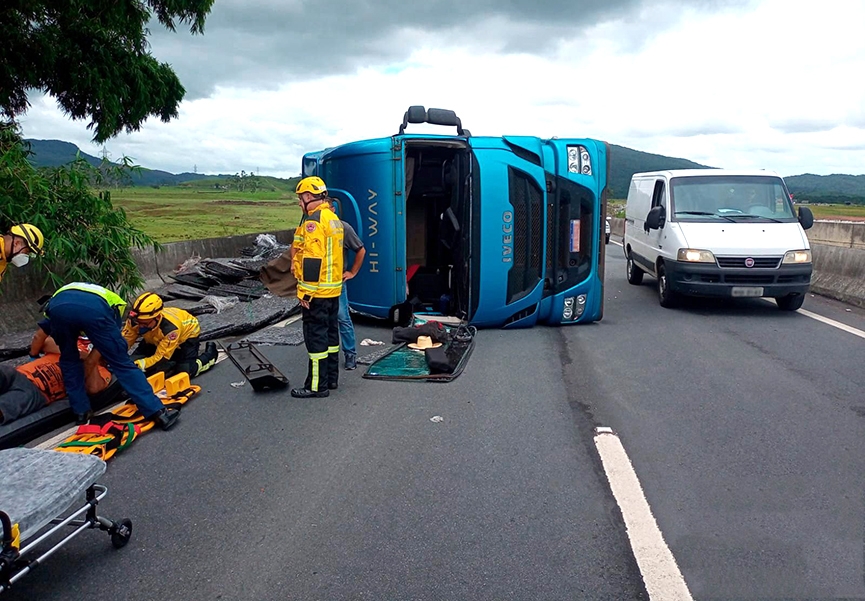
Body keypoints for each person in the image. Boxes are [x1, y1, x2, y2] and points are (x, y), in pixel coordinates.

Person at [40, 282, 179, 429]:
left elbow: (45, 328)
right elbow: (115, 342)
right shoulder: (115, 302)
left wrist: (33, 355)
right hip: (94, 311)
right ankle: (158, 413)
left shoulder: (60, 296)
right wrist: (109, 356)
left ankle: (81, 413)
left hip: (57, 311)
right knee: (122, 364)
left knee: (69, 360)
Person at [290, 176, 344, 398]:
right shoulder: (332, 218)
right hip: (332, 290)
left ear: (308, 196)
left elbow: (313, 259)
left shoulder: (314, 221)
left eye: (300, 198)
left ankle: (316, 386)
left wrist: (306, 292)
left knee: (316, 340)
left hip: (317, 292)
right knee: (331, 336)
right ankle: (331, 379)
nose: (299, 203)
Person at [0, 334, 111, 425]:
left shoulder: (102, 371)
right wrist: (78, 353)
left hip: (37, 391)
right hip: (19, 373)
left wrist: (90, 360)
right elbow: (45, 343)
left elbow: (93, 388)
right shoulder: (76, 346)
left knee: (8, 405)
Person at [121, 292, 218, 378]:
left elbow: (161, 357)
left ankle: (210, 355)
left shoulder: (170, 330)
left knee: (185, 371)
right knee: (132, 360)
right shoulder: (135, 320)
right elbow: (123, 342)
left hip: (186, 336)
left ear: (157, 317)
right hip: (155, 337)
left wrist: (139, 365)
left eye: (145, 323)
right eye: (139, 322)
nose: (141, 326)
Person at [337, 220, 366, 370]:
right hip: (318, 283)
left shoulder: (343, 228)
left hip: (337, 281)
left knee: (342, 316)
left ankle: (350, 354)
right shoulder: (311, 225)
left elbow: (361, 250)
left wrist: (352, 272)